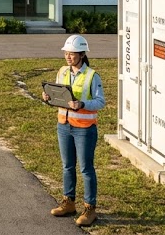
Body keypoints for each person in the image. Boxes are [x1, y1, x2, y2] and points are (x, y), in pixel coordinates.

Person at [42, 34, 105, 227]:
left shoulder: (92, 76)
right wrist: (48, 97)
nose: (68, 57)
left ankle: (90, 208)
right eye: (66, 53)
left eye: (72, 53)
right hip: (64, 125)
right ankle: (68, 202)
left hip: (84, 129)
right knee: (67, 166)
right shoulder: (62, 72)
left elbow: (100, 102)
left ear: (82, 54)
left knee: (86, 169)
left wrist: (82, 104)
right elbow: (59, 96)